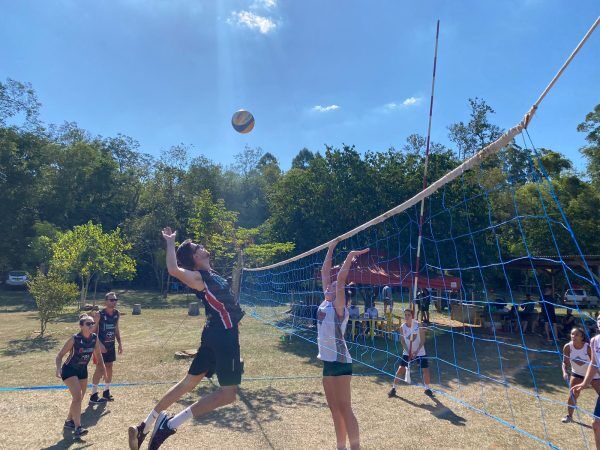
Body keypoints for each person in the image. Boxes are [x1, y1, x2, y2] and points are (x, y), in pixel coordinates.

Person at [128, 227, 245, 450]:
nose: (202, 247)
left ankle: (144, 426)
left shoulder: (213, 276)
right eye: (197, 247)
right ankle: (169, 425)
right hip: (223, 338)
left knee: (188, 384)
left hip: (215, 335)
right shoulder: (199, 278)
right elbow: (173, 269)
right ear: (195, 257)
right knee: (228, 394)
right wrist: (170, 243)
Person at [318, 240, 368, 450]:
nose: (329, 285)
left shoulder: (340, 309)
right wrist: (330, 247)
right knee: (334, 409)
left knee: (345, 408)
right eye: (329, 286)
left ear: (344, 300)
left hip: (341, 362)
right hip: (327, 362)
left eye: (334, 287)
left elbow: (340, 279)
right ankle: (341, 447)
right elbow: (325, 272)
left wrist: (350, 256)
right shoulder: (325, 302)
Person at [55, 314, 106, 438]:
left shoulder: (94, 338)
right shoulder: (75, 339)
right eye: (88, 324)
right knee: (77, 396)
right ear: (81, 326)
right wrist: (58, 368)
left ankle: (69, 421)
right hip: (69, 370)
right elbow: (60, 355)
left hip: (82, 371)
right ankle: (78, 427)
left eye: (93, 323)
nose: (91, 325)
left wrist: (103, 370)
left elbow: (99, 356)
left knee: (79, 398)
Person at [388, 309, 433, 397]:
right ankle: (393, 389)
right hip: (407, 351)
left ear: (412, 316)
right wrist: (409, 351)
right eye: (405, 315)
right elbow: (402, 341)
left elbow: (423, 339)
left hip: (420, 352)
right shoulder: (402, 327)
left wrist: (416, 351)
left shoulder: (418, 325)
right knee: (401, 369)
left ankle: (427, 389)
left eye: (409, 315)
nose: (407, 317)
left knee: (425, 370)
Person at [571, 312, 600, 447]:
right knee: (596, 424)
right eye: (599, 319)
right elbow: (593, 364)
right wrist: (583, 383)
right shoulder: (594, 341)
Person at [89, 292, 122, 404]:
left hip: (111, 346)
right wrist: (99, 345)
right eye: (111, 300)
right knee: (99, 368)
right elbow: (92, 332)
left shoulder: (117, 313)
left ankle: (106, 392)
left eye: (115, 300)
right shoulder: (99, 314)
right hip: (100, 346)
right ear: (106, 301)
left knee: (109, 367)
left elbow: (116, 329)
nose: (114, 302)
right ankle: (93, 395)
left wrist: (120, 343)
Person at [562, 327, 599, 423]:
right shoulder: (567, 347)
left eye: (576, 334)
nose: (573, 336)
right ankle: (569, 416)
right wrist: (564, 372)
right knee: (573, 394)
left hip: (593, 375)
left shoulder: (588, 347)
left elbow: (595, 363)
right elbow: (565, 362)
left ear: (582, 337)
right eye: (572, 334)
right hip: (577, 373)